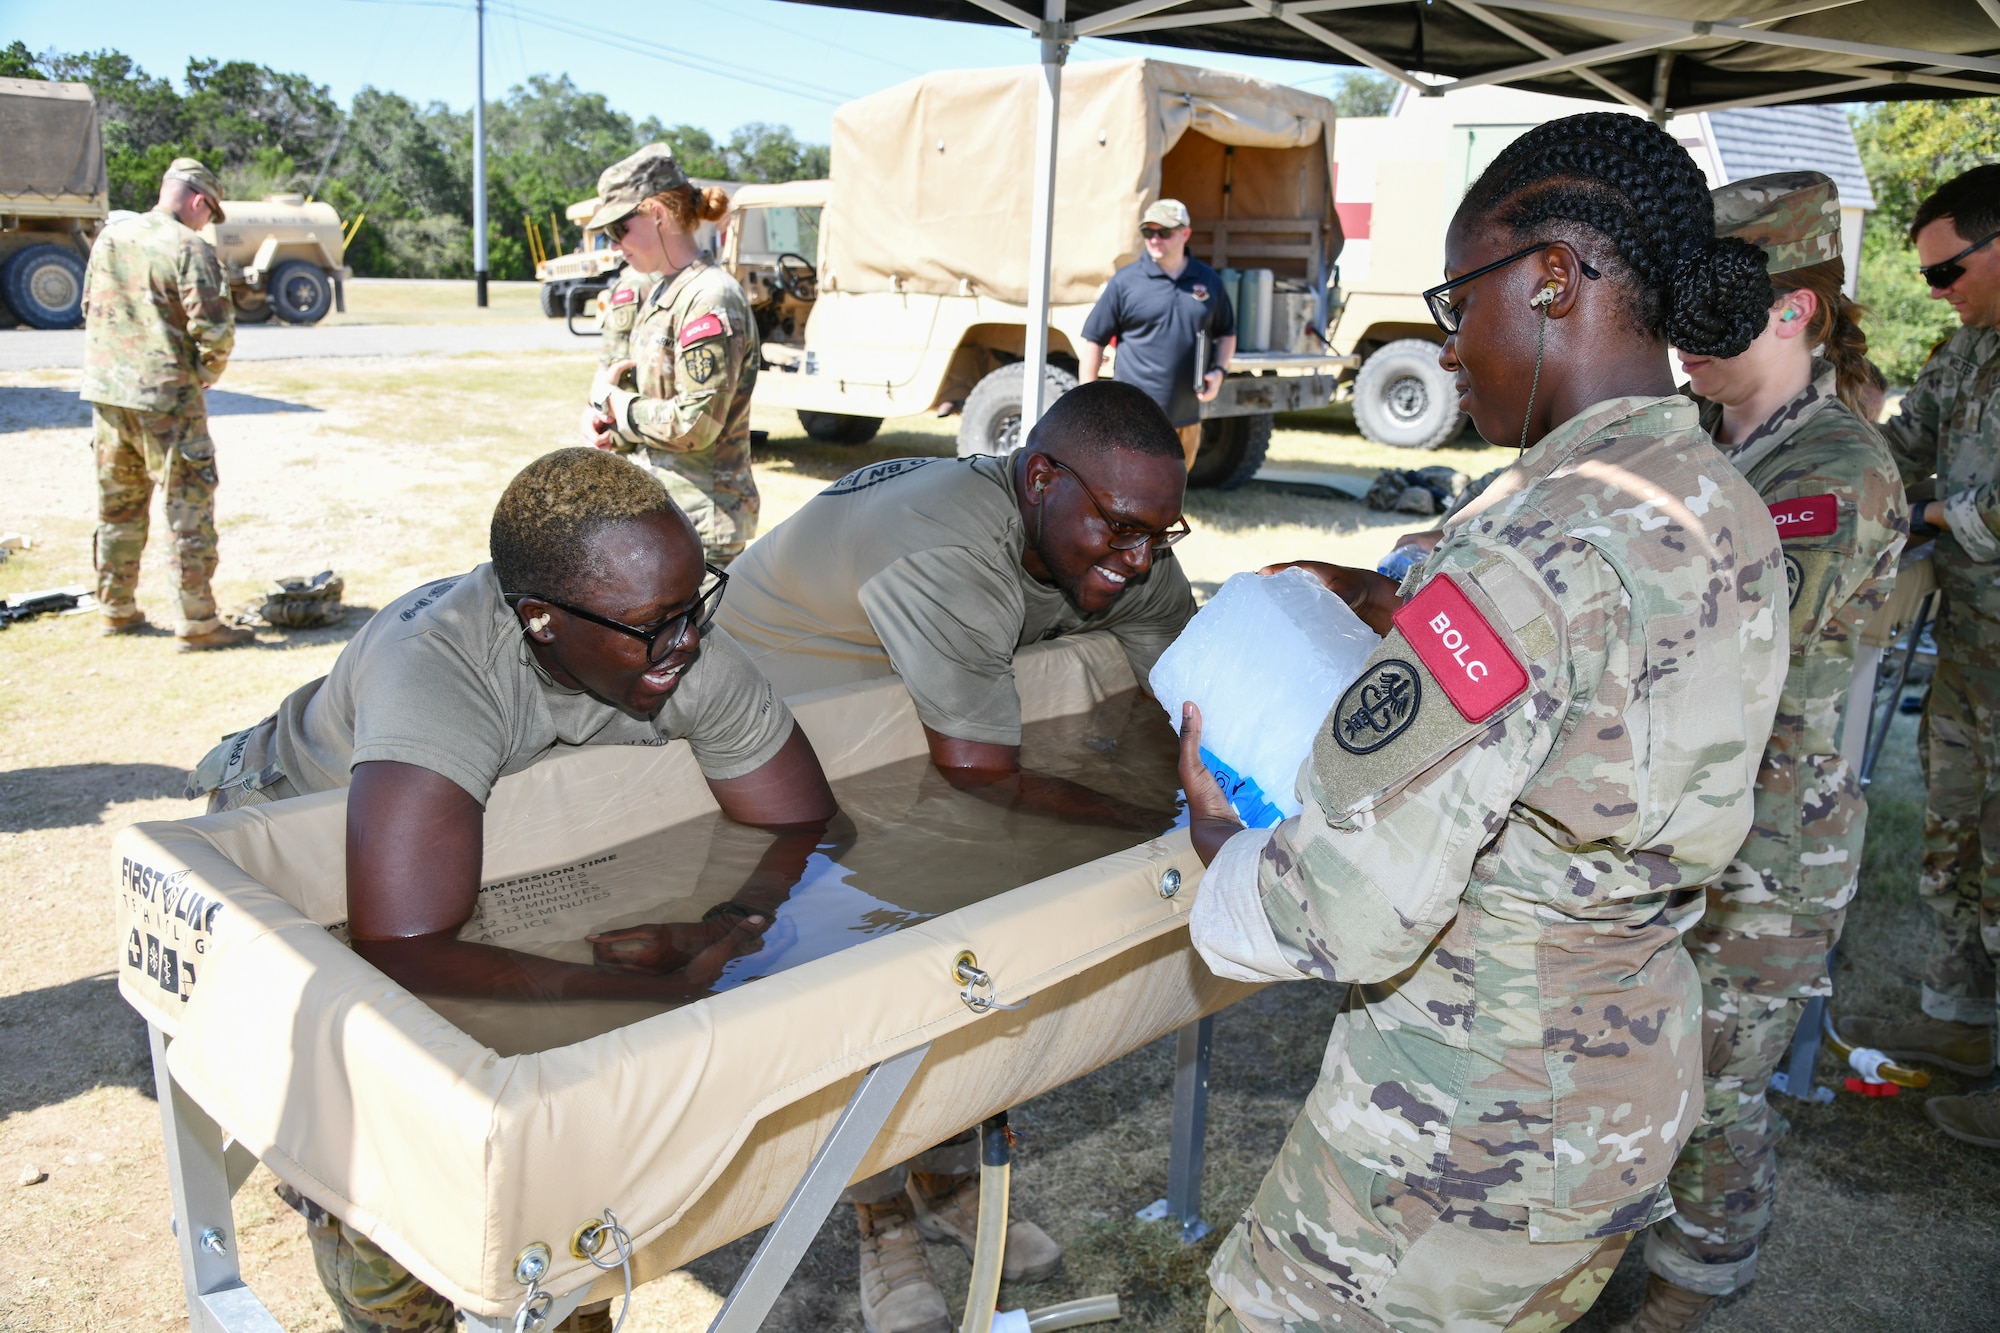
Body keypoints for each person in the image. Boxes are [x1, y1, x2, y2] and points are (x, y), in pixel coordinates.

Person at [1179, 112, 1786, 1333]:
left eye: (1458, 300)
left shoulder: (1537, 547)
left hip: (1463, 1130)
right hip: (1617, 1090)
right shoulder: (1717, 497)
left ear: (1550, 277)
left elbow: (1348, 904)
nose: (1448, 346)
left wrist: (1222, 848)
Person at [186, 446, 838, 1333]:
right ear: (540, 619)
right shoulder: (440, 676)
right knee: (390, 1182)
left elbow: (802, 819)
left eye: (695, 606)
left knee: (554, 1183)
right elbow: (401, 948)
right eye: (655, 623)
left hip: (454, 854)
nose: (686, 642)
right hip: (304, 850)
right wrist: (644, 993)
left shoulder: (673, 641)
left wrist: (733, 922)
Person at [715, 379, 1197, 1333]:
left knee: (977, 954)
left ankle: (941, 1178)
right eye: (1118, 530)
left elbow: (1188, 664)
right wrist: (1160, 825)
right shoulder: (946, 548)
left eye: (1159, 535)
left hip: (914, 728)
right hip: (786, 736)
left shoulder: (1113, 524)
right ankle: (881, 1215)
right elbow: (980, 773)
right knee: (875, 976)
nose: (1138, 559)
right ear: (1042, 478)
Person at [1621, 172, 1907, 1333]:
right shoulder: (1687, 438)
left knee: (1718, 1087)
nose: (1682, 339)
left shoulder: (1834, 473)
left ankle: (1689, 1293)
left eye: (1710, 306)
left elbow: (1721, 635)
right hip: (1665, 827)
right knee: (1639, 1068)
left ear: (1789, 310)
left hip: (1767, 854)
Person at [1844, 163, 2000, 1151]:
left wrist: (1941, 514)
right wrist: (1866, 495)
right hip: (1973, 638)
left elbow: (1950, 499)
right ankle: (1963, 1019)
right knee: (1955, 829)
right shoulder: (1970, 349)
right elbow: (1906, 443)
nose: (1936, 292)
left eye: (1947, 271)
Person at [79, 157, 251, 651]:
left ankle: (116, 608)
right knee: (188, 511)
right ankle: (197, 623)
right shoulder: (188, 246)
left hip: (109, 396)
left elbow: (89, 308)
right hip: (169, 401)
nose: (206, 223)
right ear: (200, 202)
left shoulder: (110, 238)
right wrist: (203, 376)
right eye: (209, 213)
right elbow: (215, 331)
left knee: (119, 508)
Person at [582, 144, 760, 564]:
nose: (614, 245)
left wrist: (619, 408)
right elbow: (632, 387)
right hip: (659, 513)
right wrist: (601, 417)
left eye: (620, 229)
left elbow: (694, 425)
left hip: (699, 525)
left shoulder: (709, 298)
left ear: (657, 214)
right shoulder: (663, 287)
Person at [1079, 199, 1236, 470]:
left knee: (1173, 499)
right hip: (1132, 418)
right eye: (1148, 232)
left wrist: (1219, 372)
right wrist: (1090, 402)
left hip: (1186, 418)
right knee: (1129, 496)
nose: (1155, 239)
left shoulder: (1208, 281)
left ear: (1185, 233)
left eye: (1164, 232)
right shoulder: (1126, 282)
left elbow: (1227, 333)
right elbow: (1093, 340)